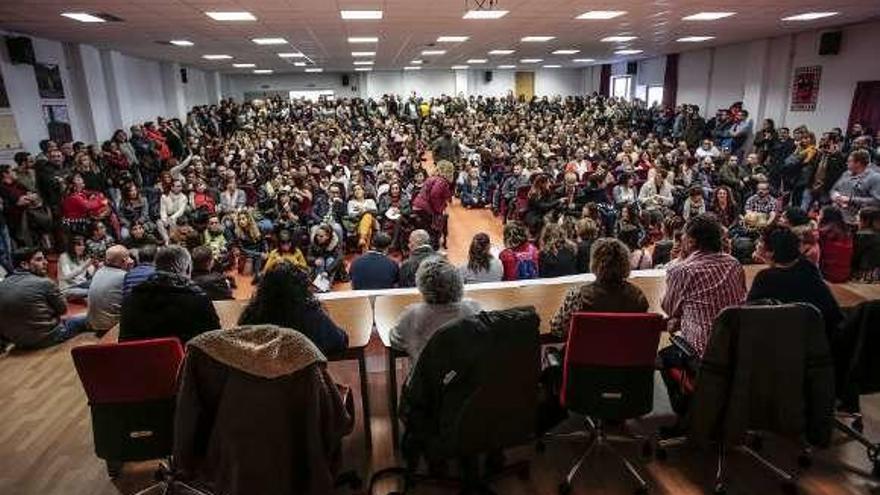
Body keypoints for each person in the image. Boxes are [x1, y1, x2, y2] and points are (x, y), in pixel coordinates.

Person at [662, 214, 747, 357]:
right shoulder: (734, 264)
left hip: (702, 357)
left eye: (684, 235)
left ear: (691, 241)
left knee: (662, 358)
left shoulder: (683, 270)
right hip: (737, 351)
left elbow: (669, 309)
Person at [748, 224, 843, 340]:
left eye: (760, 242)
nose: (757, 244)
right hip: (818, 339)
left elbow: (750, 315)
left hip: (784, 341)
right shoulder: (808, 268)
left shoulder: (765, 278)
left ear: (771, 252)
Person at [238, 261, 348, 355]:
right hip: (302, 378)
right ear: (301, 289)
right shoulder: (311, 316)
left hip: (259, 378)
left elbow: (240, 345)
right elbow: (340, 342)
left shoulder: (251, 316)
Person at [549, 238, 650, 339]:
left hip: (587, 353)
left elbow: (557, 329)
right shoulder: (638, 296)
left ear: (595, 263)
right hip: (625, 353)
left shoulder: (578, 296)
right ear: (626, 263)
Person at [119, 245, 220, 344]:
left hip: (139, 359)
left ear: (156, 267)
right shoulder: (199, 300)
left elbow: (124, 342)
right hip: (185, 359)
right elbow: (214, 341)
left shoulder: (130, 299)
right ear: (188, 269)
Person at [390, 258, 482, 363]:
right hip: (468, 375)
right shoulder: (473, 308)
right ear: (459, 282)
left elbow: (395, 341)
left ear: (421, 285)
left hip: (428, 376)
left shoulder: (412, 314)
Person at [0, 248, 89, 348]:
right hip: (47, 337)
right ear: (24, 264)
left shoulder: (2, 284)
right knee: (87, 318)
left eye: (44, 259)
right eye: (39, 260)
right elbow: (63, 310)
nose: (45, 262)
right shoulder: (44, 283)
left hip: (18, 342)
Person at [86, 245, 133, 334]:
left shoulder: (99, 271)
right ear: (124, 261)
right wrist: (130, 269)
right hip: (111, 326)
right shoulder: (124, 276)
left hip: (93, 322)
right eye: (128, 257)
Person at [830, 150, 880, 224]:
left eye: (849, 161)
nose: (846, 163)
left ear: (858, 163)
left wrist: (851, 200)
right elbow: (834, 189)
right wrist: (836, 196)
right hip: (839, 219)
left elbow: (876, 201)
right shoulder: (846, 174)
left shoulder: (874, 178)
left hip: (858, 221)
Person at [817, 205, 853, 283]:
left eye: (820, 214)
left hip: (828, 274)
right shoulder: (846, 231)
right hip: (844, 274)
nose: (818, 216)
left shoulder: (823, 233)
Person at [58, 235, 96, 300]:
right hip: (69, 288)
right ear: (72, 246)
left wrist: (97, 267)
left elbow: (93, 276)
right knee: (92, 292)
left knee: (101, 285)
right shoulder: (64, 257)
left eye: (83, 245)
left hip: (82, 284)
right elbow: (67, 276)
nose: (82, 247)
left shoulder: (83, 257)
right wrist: (84, 266)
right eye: (79, 245)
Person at [853, 206, 880, 283]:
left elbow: (855, 255)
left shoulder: (863, 235)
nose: (856, 219)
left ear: (866, 220)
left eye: (858, 217)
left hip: (865, 273)